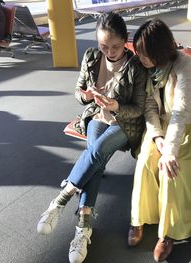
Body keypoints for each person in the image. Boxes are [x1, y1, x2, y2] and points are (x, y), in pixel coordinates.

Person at [36, 12, 147, 263]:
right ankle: (84, 228)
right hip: (97, 116)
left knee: (96, 153)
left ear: (126, 40)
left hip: (124, 123)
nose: (109, 51)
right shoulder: (91, 56)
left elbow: (138, 109)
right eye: (103, 45)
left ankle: (60, 200)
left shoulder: (136, 67)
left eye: (116, 46)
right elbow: (79, 91)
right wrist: (86, 96)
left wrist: (115, 105)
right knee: (95, 162)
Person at [127, 19, 191, 262]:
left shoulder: (185, 65)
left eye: (145, 54)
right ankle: (139, 218)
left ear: (159, 51)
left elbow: (181, 112)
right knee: (146, 158)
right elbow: (149, 105)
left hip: (190, 127)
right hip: (163, 125)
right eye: (139, 53)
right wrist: (157, 136)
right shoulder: (150, 67)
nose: (140, 58)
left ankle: (167, 233)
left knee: (171, 169)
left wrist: (169, 151)